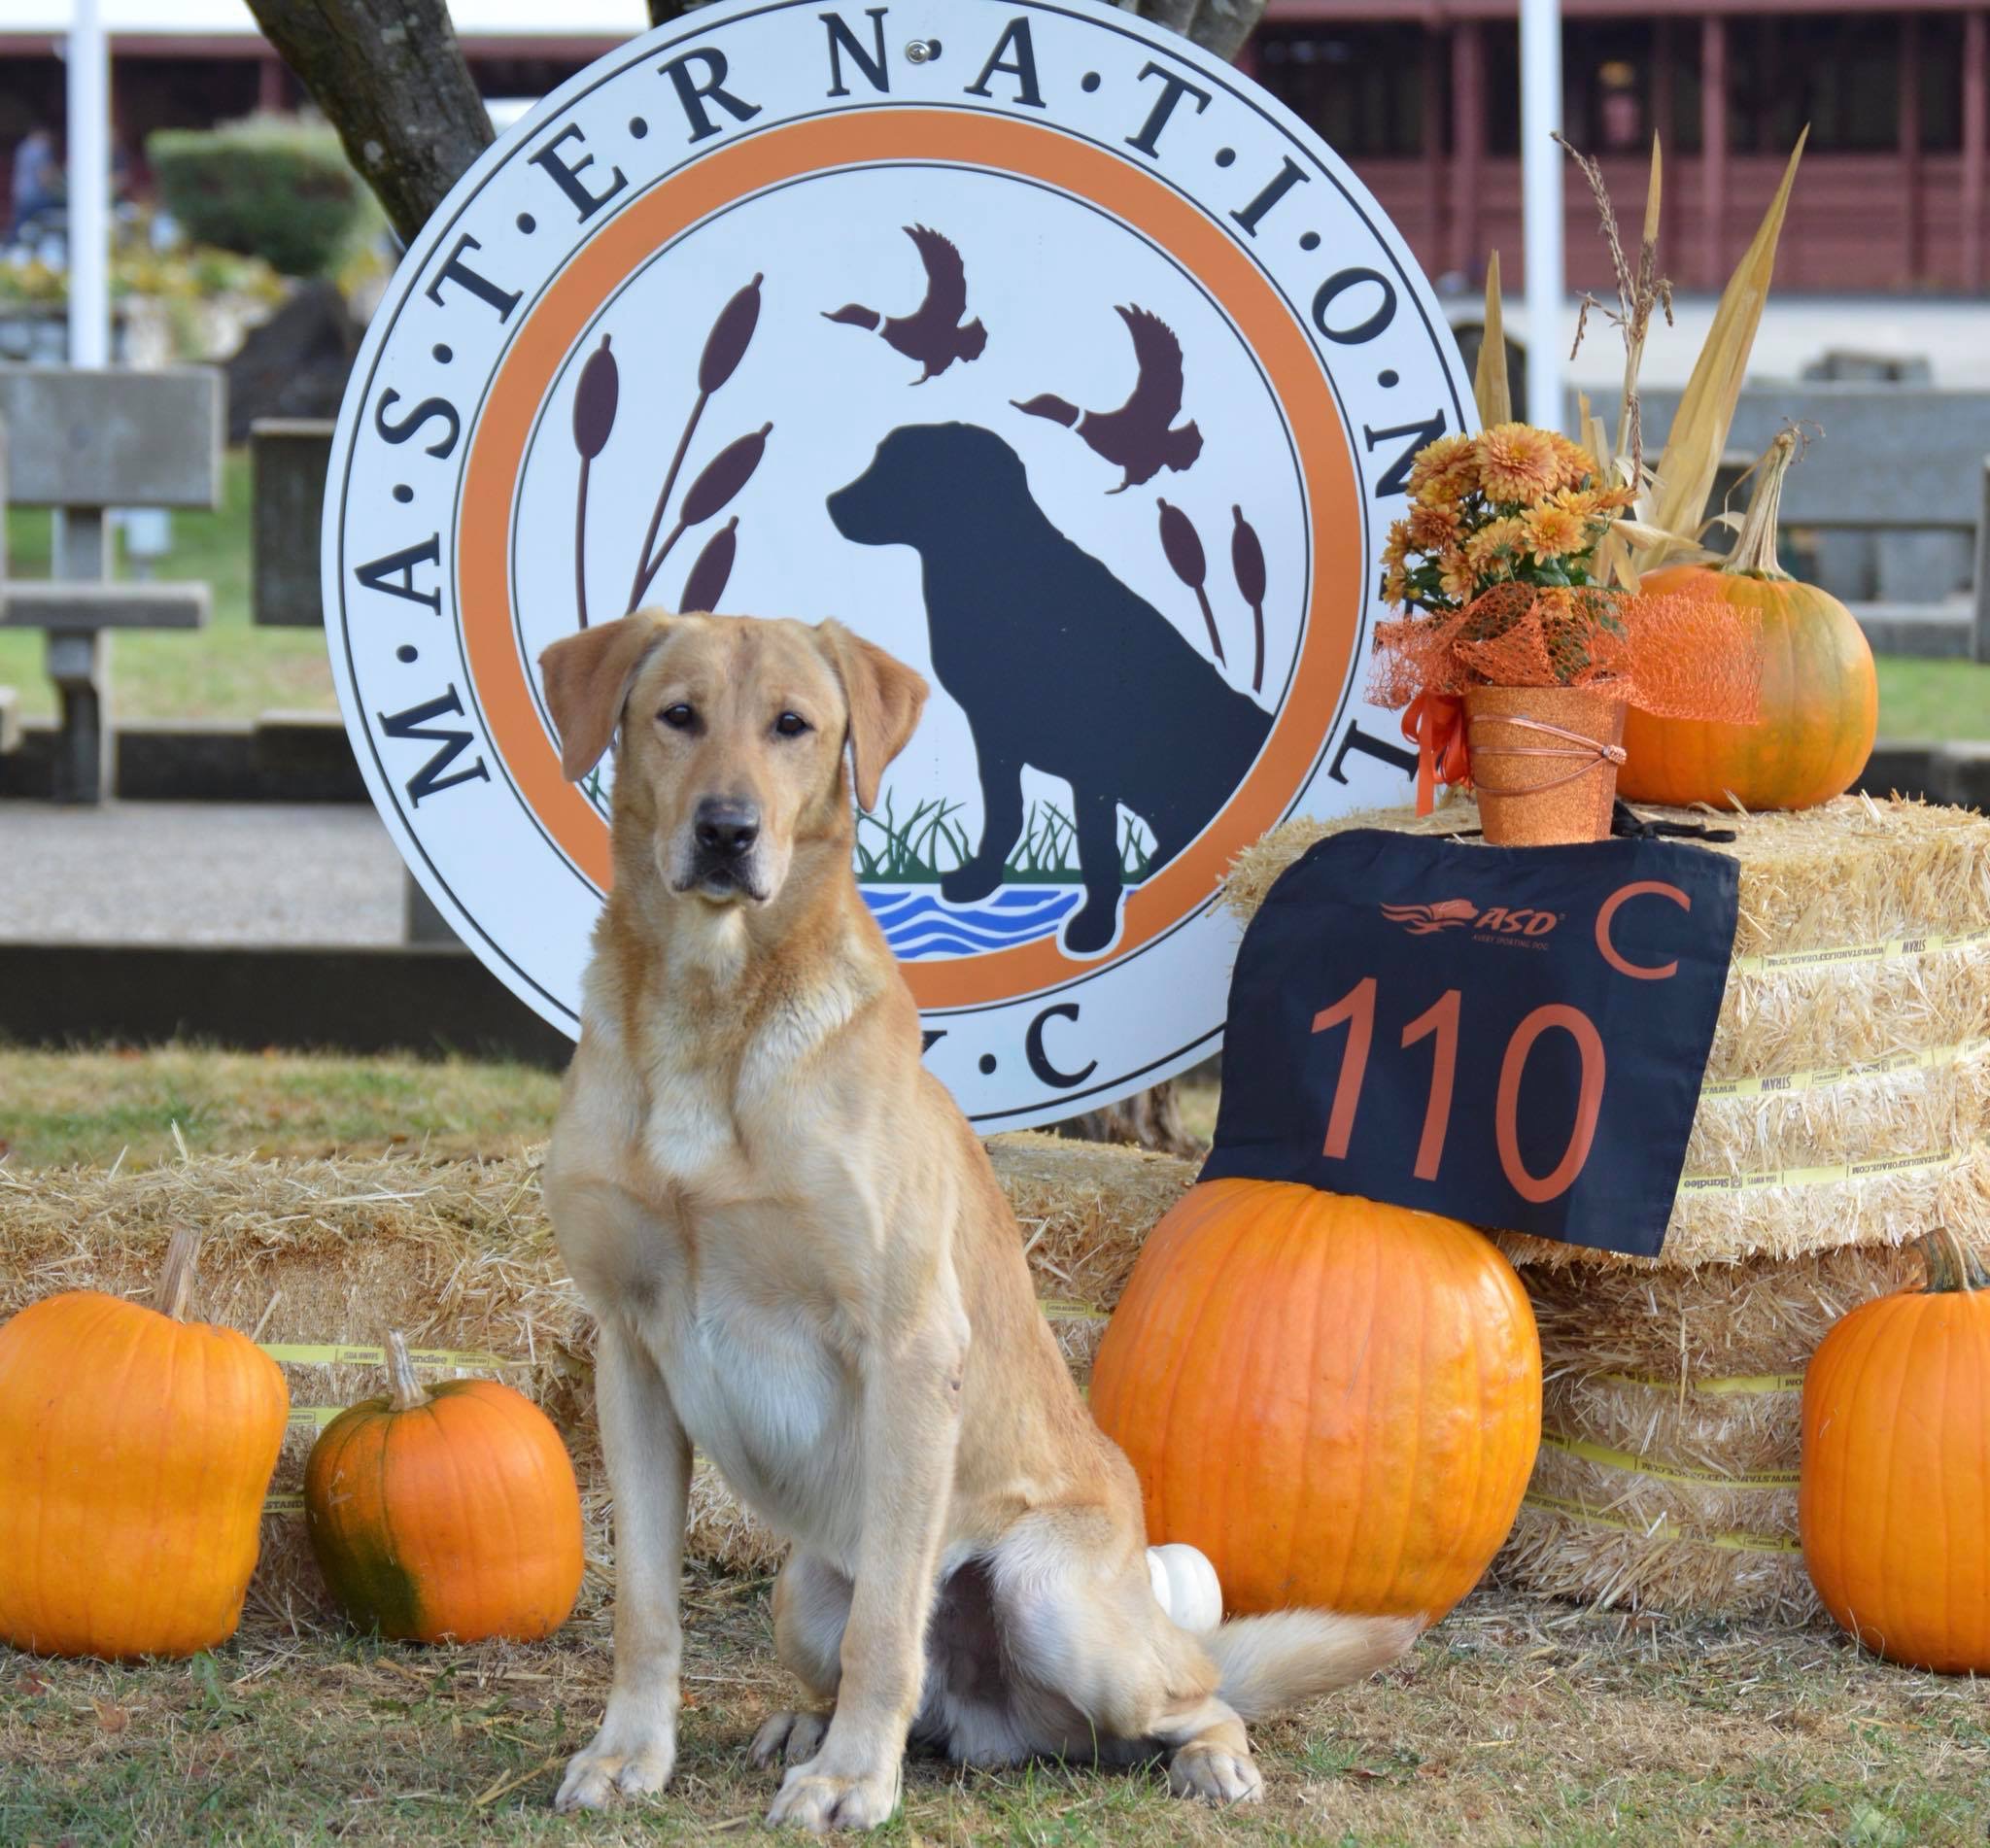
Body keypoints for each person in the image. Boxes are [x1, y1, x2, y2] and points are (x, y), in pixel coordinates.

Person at [9, 125, 62, 242]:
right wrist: (58, 186)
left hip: (21, 192)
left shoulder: (23, 147)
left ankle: (11, 245)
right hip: (35, 195)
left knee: (21, 223)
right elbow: (44, 175)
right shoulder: (40, 149)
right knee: (51, 216)